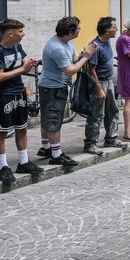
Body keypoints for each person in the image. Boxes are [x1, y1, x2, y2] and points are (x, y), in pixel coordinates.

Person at [38, 16, 98, 166]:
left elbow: (73, 59)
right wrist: (86, 57)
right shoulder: (57, 47)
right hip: (53, 88)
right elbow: (70, 70)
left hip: (53, 86)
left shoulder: (67, 42)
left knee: (48, 118)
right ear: (70, 31)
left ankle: (46, 148)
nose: (80, 30)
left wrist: (82, 55)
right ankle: (56, 155)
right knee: (53, 120)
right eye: (78, 28)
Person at [0, 19, 43, 183]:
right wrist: (22, 69)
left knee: (22, 128)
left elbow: (23, 61)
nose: (23, 34)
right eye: (20, 31)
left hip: (19, 92)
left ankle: (24, 161)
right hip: (5, 94)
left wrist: (29, 63)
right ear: (10, 33)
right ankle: (3, 167)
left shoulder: (17, 46)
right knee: (2, 131)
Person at [83, 16, 126, 155]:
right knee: (96, 115)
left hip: (108, 81)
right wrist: (98, 88)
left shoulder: (106, 43)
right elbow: (91, 70)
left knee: (112, 111)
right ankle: (90, 143)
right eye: (114, 27)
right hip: (100, 82)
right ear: (108, 30)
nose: (117, 29)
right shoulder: (95, 46)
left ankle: (111, 138)